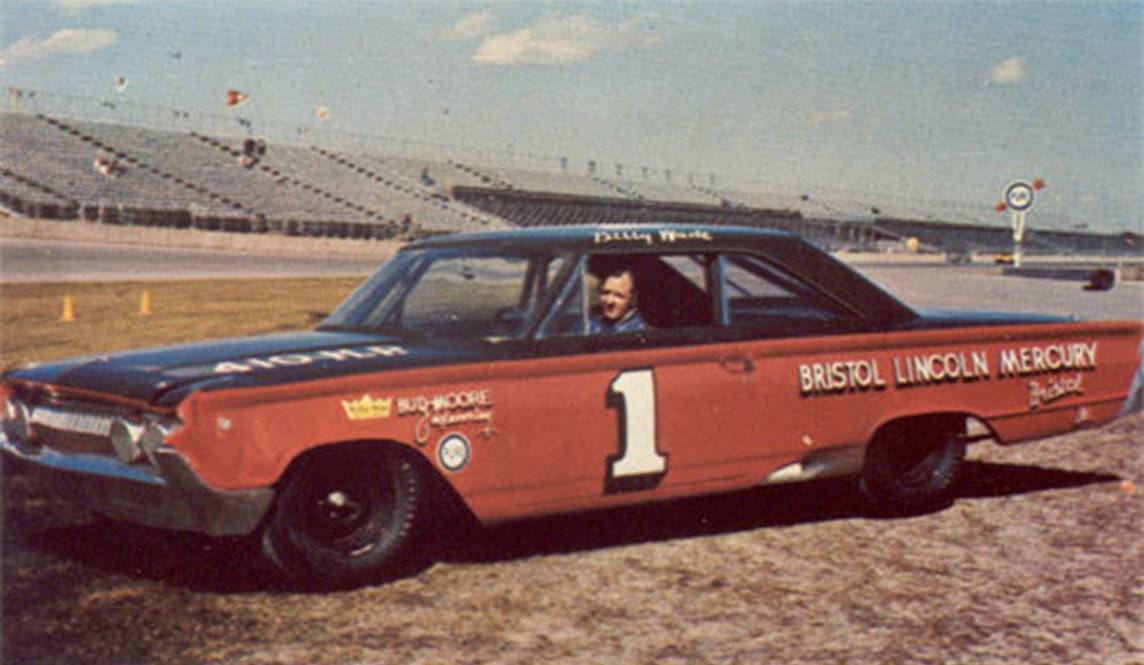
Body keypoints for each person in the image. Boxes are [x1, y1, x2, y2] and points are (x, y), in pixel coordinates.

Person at [589, 266, 647, 334]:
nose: (610, 301)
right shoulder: (591, 326)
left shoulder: (640, 332)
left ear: (633, 299)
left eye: (618, 296)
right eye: (606, 293)